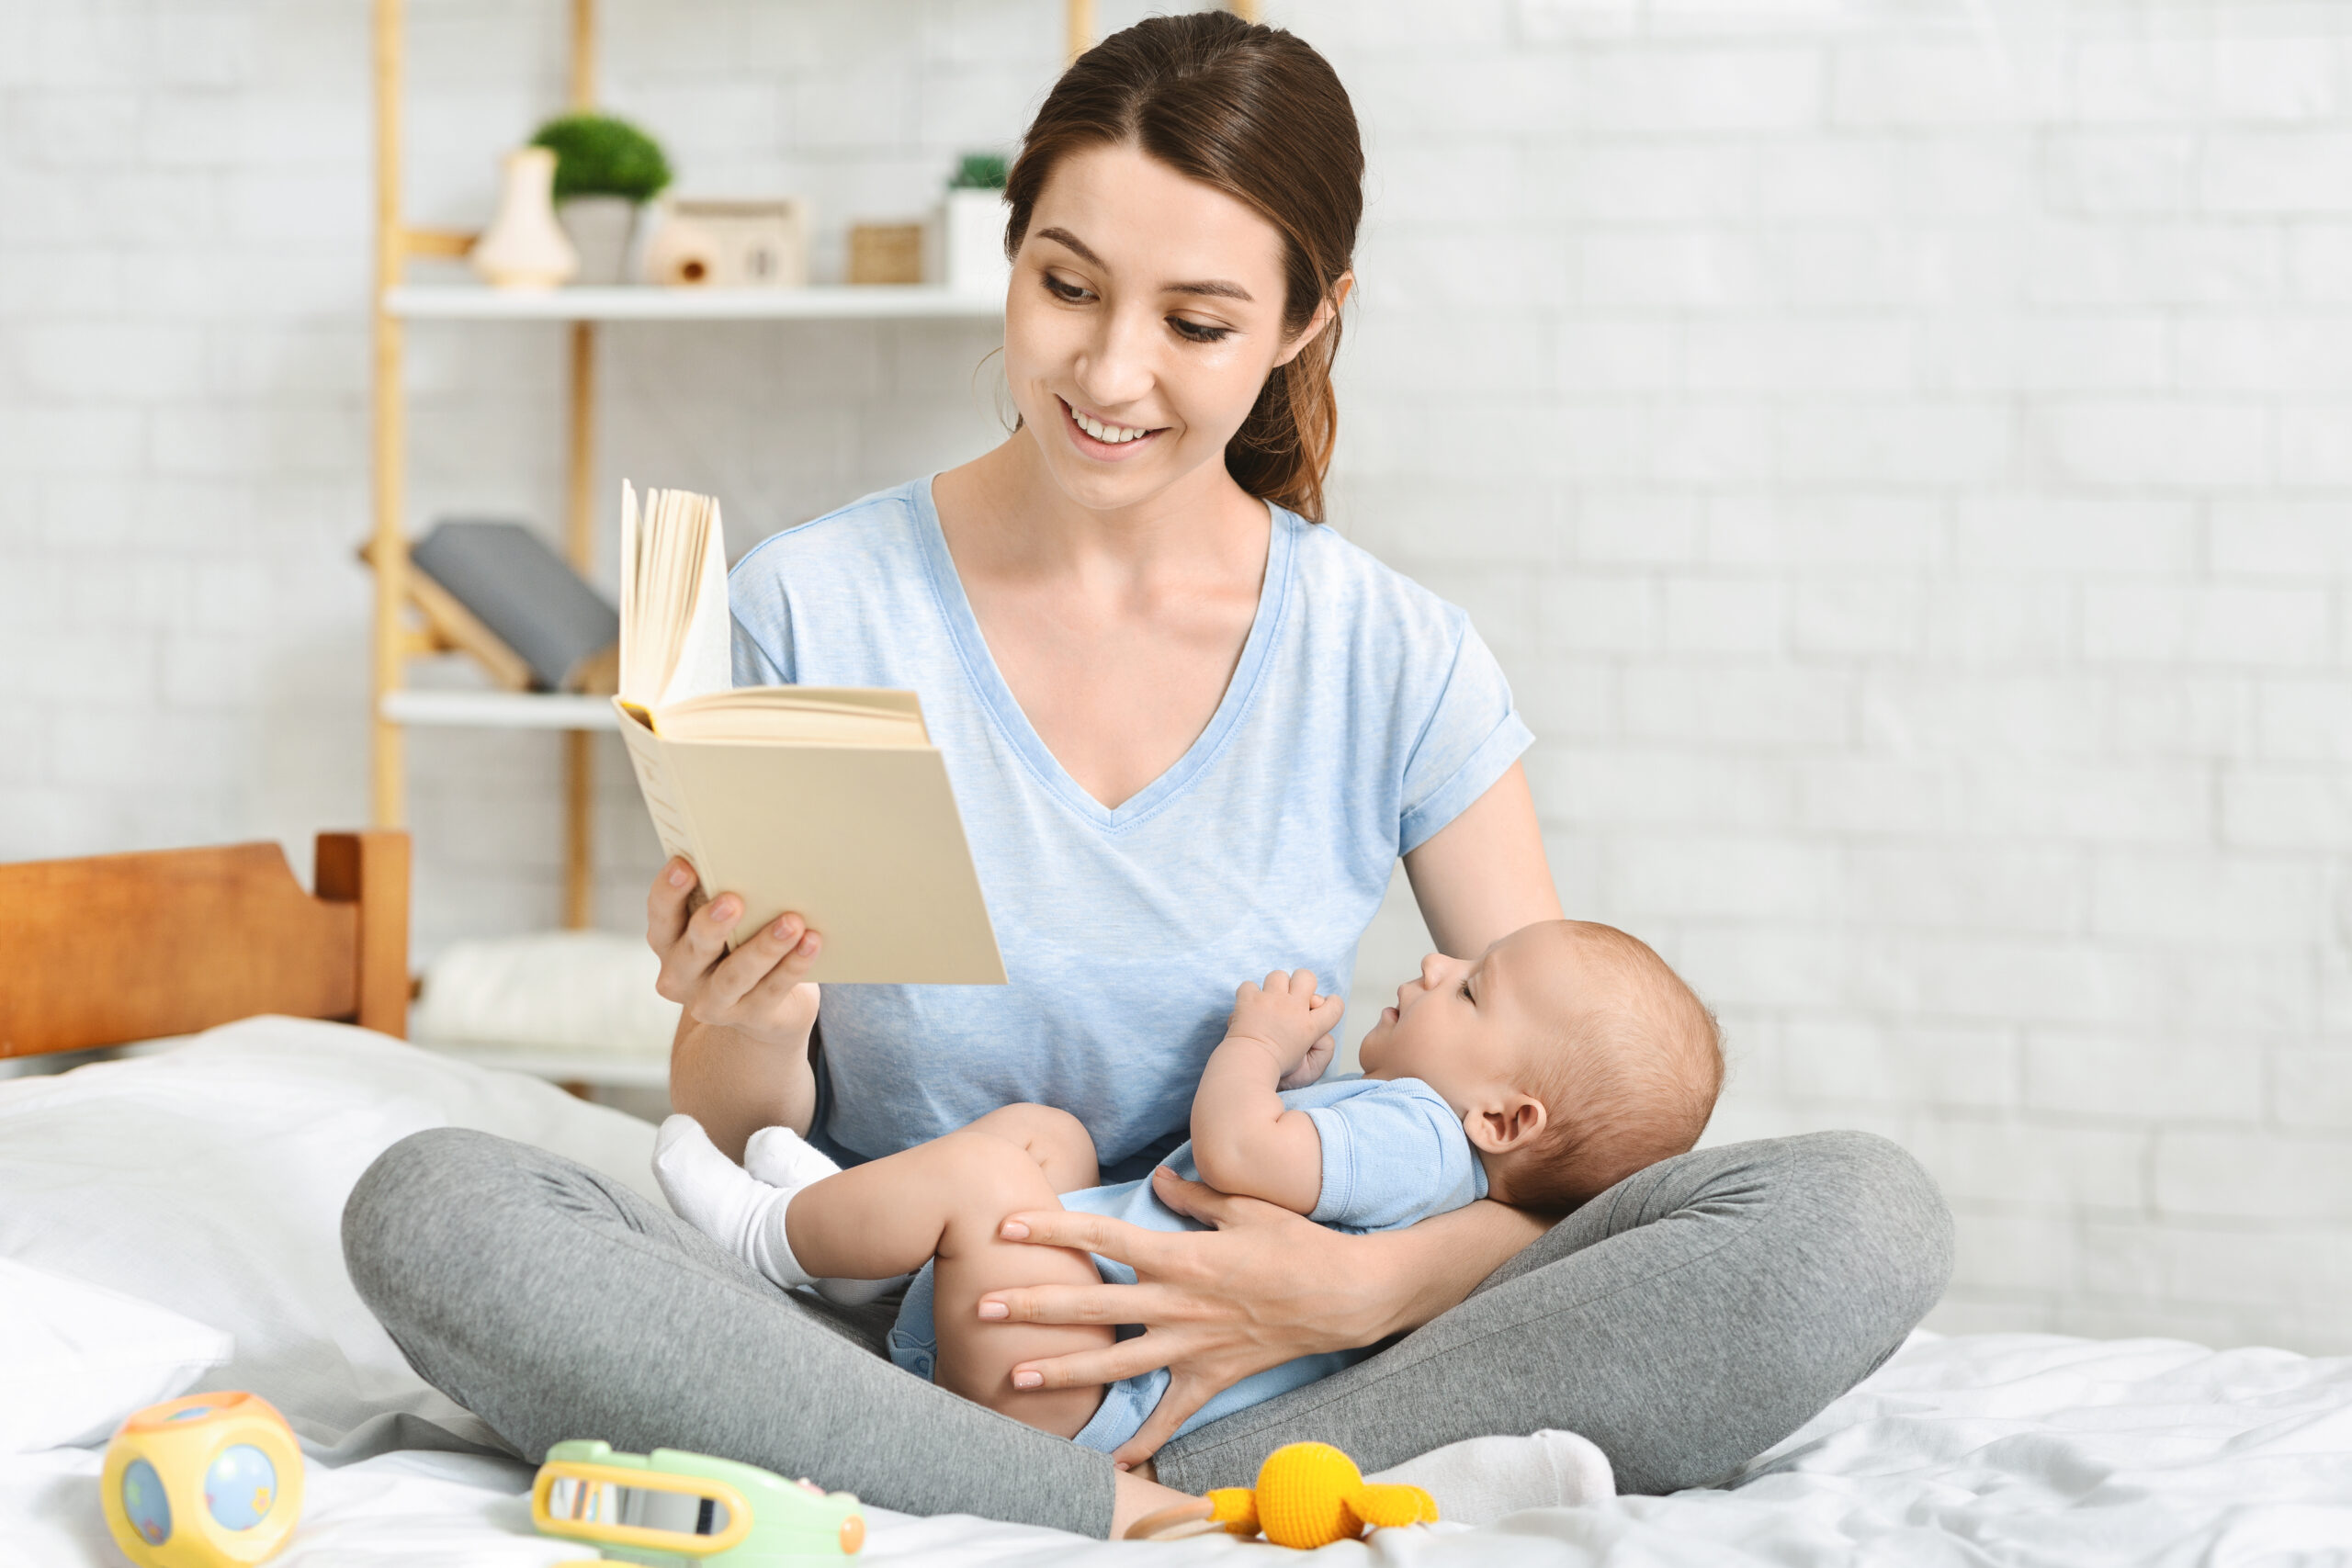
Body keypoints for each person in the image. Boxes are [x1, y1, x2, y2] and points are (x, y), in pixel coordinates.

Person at [343, 12, 1952, 1542]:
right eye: (1067, 288)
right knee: (433, 1204)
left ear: (1304, 324)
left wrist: (1353, 1293)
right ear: (1014, 256)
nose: (1111, 376)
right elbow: (744, 1141)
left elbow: (1563, 1151)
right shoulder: (812, 604)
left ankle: (1123, 1471)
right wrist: (741, 1018)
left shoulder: (1393, 655)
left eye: (1195, 325)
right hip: (883, 1333)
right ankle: (1047, 1490)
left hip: (1281, 1353)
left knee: (1856, 1215)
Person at [649, 920, 1725, 1466]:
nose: (1439, 965)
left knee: (992, 1171)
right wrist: (1309, 1088)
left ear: (1504, 1121)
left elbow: (1243, 1153)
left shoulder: (1418, 1136)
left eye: (1474, 987)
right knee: (1051, 1140)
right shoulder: (1420, 1144)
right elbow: (1299, 1167)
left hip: (1071, 1378)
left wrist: (1253, 1048)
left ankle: (772, 1240)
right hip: (1065, 1343)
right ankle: (858, 1249)